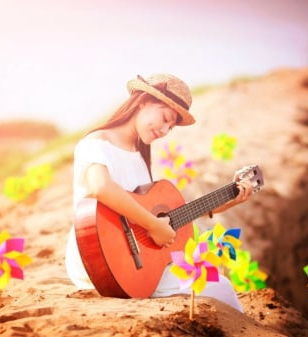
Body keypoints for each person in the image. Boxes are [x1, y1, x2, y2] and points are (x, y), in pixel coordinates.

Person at [65, 73, 253, 312]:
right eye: (165, 118)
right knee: (222, 286)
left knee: (214, 279)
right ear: (143, 101)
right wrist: (153, 225)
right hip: (98, 261)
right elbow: (101, 188)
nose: (165, 130)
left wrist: (224, 203)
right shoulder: (97, 142)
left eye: (171, 127)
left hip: (135, 261)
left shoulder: (139, 153)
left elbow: (162, 216)